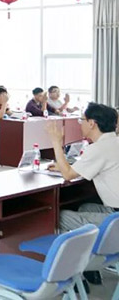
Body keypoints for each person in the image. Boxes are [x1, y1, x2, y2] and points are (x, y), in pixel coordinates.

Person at [46, 102, 118, 283]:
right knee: (84, 207)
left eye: (82, 120)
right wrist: (65, 166)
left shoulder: (98, 149)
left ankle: (72, 271)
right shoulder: (114, 142)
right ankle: (89, 267)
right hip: (114, 211)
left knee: (59, 216)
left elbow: (68, 175)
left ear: (92, 123)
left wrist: (56, 142)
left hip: (116, 217)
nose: (81, 124)